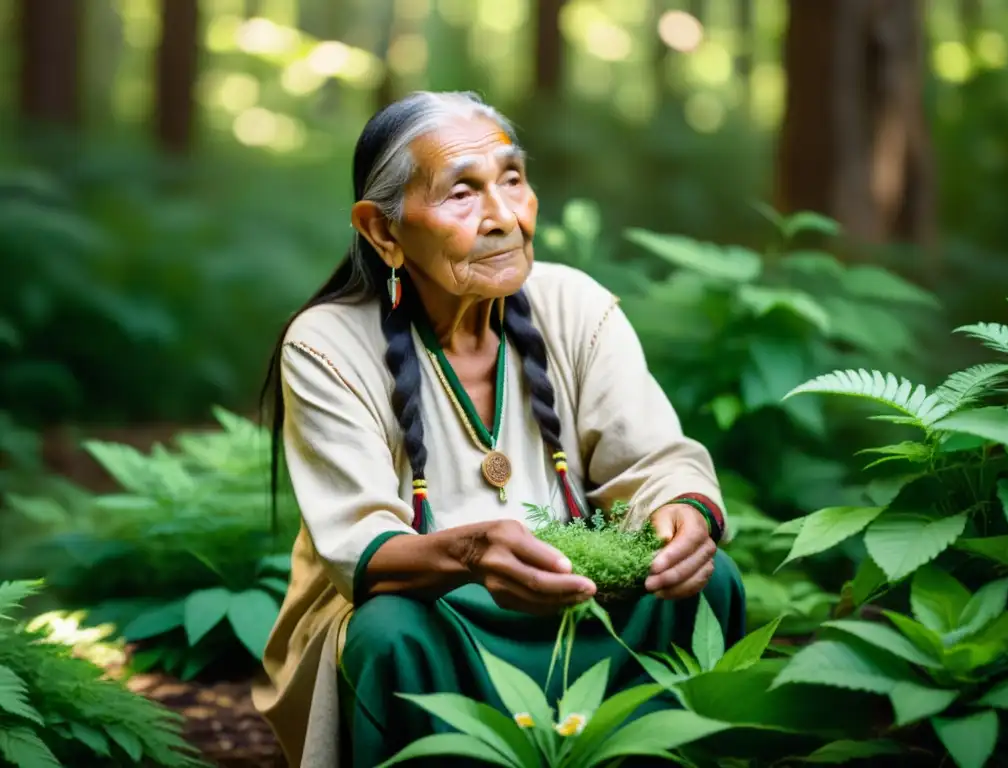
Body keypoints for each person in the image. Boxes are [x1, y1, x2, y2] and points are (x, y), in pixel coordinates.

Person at [252, 91, 745, 768]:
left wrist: (685, 514)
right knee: (390, 634)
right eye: (461, 192)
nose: (505, 216)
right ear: (383, 231)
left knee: (709, 583)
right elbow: (359, 546)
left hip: (575, 596)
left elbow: (656, 462)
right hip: (436, 616)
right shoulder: (328, 343)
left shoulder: (574, 304)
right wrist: (473, 553)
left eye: (513, 179)